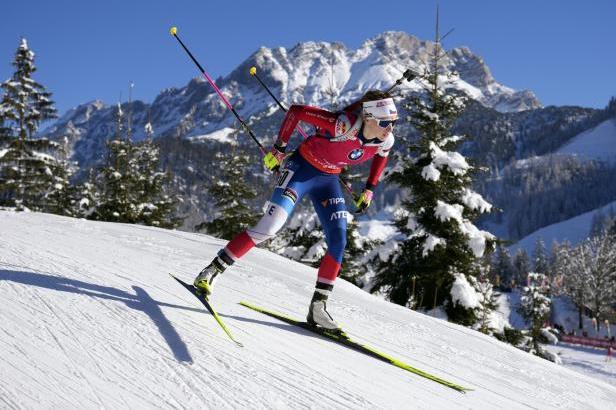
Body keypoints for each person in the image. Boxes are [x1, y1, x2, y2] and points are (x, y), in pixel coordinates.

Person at [194, 90, 398, 330]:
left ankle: (318, 309)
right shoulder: (343, 126)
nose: (389, 128)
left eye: (393, 122)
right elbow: (296, 111)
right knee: (269, 228)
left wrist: (370, 189)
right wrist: (279, 149)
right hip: (301, 170)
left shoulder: (386, 140)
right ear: (369, 117)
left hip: (329, 180)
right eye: (385, 122)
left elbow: (381, 157)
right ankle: (210, 272)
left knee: (339, 241)